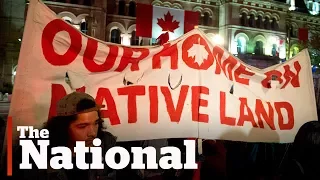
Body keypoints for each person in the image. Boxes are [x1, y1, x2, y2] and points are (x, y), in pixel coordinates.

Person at [10, 91, 117, 180]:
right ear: (63, 127)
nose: (92, 133)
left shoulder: (106, 144)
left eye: (96, 123)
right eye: (82, 126)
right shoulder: (35, 152)